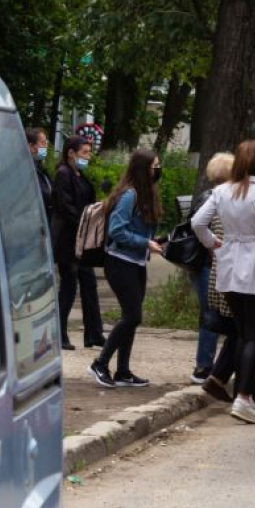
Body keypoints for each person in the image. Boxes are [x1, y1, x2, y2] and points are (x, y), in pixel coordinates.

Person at [192, 139, 255, 424]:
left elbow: (197, 222)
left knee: (242, 332)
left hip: (228, 265)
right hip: (254, 266)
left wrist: (214, 242)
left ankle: (248, 396)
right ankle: (244, 396)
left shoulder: (221, 191)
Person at [88, 149, 163, 388]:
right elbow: (116, 230)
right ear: (143, 169)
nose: (158, 171)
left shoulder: (145, 194)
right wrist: (144, 242)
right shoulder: (129, 195)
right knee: (132, 316)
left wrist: (155, 240)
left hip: (136, 262)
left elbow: (140, 229)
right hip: (120, 262)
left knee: (131, 318)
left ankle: (123, 371)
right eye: (155, 166)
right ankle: (100, 363)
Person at [51, 136, 104, 350]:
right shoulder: (63, 174)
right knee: (69, 285)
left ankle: (94, 333)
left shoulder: (79, 175)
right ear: (71, 153)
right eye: (84, 152)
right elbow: (64, 206)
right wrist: (83, 223)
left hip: (82, 239)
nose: (87, 157)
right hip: (68, 239)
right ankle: (60, 333)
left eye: (89, 153)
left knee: (89, 283)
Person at [190, 151, 234, 384]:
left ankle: (208, 364)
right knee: (211, 314)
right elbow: (199, 226)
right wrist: (214, 246)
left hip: (207, 263)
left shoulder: (207, 195)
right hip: (209, 263)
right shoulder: (216, 197)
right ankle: (204, 366)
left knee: (211, 313)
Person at [26, 127, 53, 223]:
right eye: (43, 143)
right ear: (31, 147)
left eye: (47, 143)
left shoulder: (40, 167)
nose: (46, 146)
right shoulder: (26, 169)